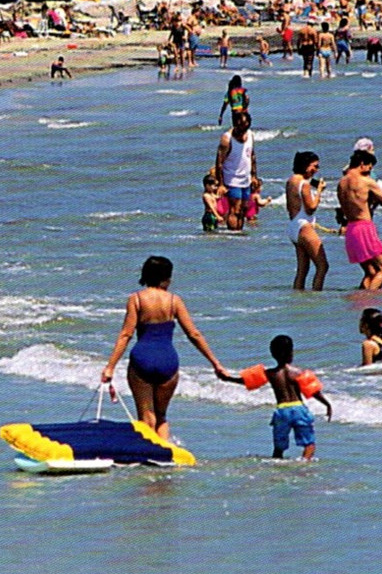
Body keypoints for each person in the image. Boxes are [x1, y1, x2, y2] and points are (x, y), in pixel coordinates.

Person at [100, 255, 232, 441]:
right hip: (167, 362)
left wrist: (110, 367)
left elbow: (126, 335)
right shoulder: (174, 301)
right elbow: (194, 334)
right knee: (161, 417)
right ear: (167, 277)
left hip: (142, 360)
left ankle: (148, 462)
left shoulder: (136, 299)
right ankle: (164, 459)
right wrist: (216, 364)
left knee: (146, 418)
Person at [247, 335, 332, 460]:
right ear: (291, 352)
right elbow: (314, 392)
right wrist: (327, 404)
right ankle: (303, 464)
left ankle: (276, 468)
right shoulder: (298, 372)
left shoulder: (270, 374)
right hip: (299, 409)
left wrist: (226, 377)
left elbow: (246, 381)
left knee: (278, 449)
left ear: (272, 354)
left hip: (282, 411)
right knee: (309, 444)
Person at [338, 147, 382, 290]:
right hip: (364, 227)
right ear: (362, 164)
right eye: (369, 167)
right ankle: (370, 299)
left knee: (370, 272)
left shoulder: (341, 183)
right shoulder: (365, 181)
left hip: (351, 229)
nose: (369, 171)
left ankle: (362, 301)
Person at [286, 150, 329, 291]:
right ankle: (317, 297)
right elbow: (311, 208)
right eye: (314, 166)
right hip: (304, 226)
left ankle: (298, 300)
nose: (316, 170)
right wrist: (319, 192)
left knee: (302, 270)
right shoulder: (303, 183)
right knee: (322, 266)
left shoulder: (291, 180)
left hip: (293, 225)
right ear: (305, 165)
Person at [214, 109, 256, 231]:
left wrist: (254, 176)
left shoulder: (250, 136)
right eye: (241, 125)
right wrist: (221, 184)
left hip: (246, 179)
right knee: (235, 208)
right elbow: (219, 162)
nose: (243, 128)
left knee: (244, 208)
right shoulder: (227, 139)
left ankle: (239, 232)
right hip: (231, 178)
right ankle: (233, 233)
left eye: (246, 125)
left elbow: (252, 156)